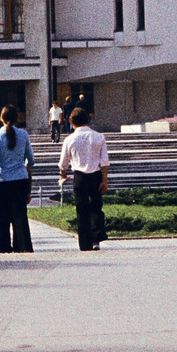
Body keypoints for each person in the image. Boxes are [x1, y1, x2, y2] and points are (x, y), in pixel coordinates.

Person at [0, 104, 35, 253]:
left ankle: (4, 247)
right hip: (20, 181)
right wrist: (24, 166)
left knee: (2, 217)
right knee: (20, 216)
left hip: (0, 181)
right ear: (17, 118)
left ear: (1, 118)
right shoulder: (24, 135)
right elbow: (31, 159)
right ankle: (23, 246)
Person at [58, 107, 109, 251]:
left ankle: (84, 243)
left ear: (72, 122)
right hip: (96, 176)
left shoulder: (70, 139)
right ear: (87, 119)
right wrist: (104, 181)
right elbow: (105, 162)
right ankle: (96, 239)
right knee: (96, 207)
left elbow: (63, 163)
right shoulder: (99, 137)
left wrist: (62, 175)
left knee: (81, 210)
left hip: (79, 177)